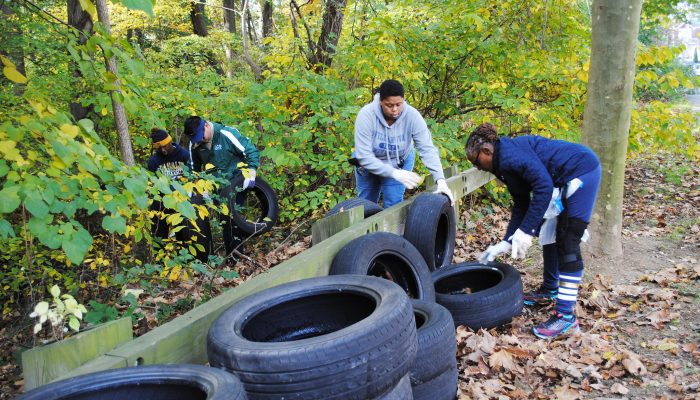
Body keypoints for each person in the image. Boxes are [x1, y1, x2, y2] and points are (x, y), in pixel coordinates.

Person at [466, 122, 601, 339]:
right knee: (549, 234)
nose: (477, 167)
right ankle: (550, 289)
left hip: (581, 170)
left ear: (486, 151)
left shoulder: (510, 157)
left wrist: (526, 231)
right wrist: (507, 241)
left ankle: (566, 317)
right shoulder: (502, 165)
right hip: (561, 179)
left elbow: (543, 187)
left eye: (475, 161)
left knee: (568, 241)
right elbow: (521, 204)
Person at [353, 79, 454, 208]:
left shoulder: (412, 116)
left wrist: (440, 181)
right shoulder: (366, 116)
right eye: (389, 105)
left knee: (393, 205)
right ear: (381, 102)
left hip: (398, 161)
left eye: (399, 104)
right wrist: (394, 173)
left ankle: (389, 229)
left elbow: (427, 148)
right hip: (368, 164)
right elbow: (364, 156)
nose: (395, 109)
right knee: (365, 205)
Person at [184, 115, 260, 260]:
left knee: (232, 216)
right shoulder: (195, 143)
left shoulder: (226, 134)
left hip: (236, 180)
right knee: (224, 220)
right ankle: (226, 257)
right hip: (216, 187)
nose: (200, 140)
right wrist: (198, 186)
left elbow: (249, 150)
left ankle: (237, 258)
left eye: (201, 136)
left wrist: (251, 170)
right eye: (196, 139)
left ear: (206, 126)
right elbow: (193, 169)